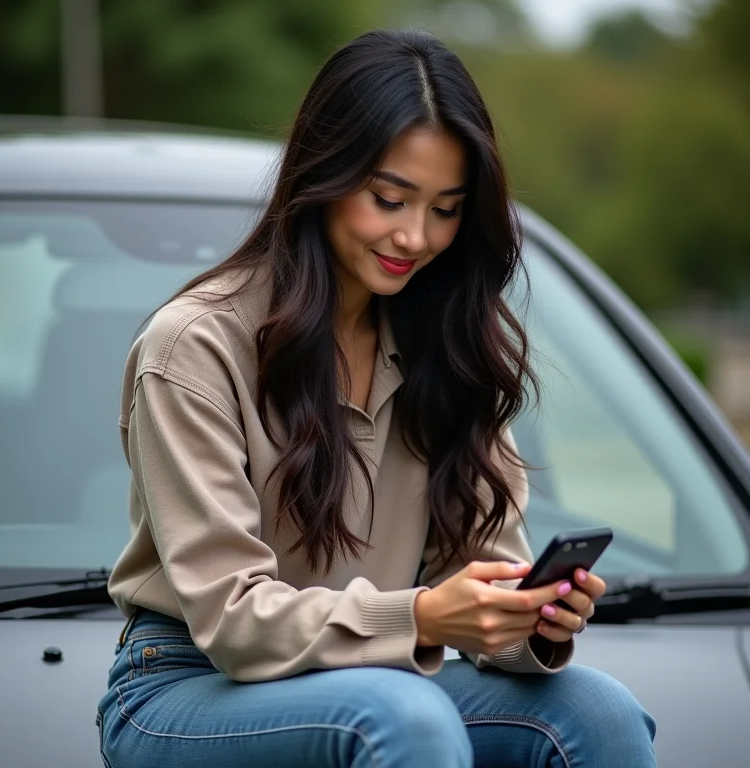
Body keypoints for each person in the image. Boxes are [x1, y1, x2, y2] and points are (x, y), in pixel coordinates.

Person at [96, 28, 656, 768]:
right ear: (324, 176)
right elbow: (231, 620)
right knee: (403, 715)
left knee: (595, 712)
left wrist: (529, 616)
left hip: (382, 683)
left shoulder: (446, 347)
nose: (416, 236)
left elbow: (479, 574)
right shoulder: (194, 345)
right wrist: (423, 615)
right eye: (389, 198)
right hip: (184, 685)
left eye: (446, 209)